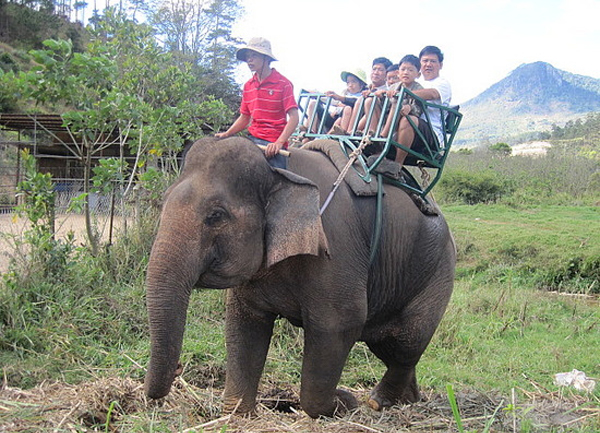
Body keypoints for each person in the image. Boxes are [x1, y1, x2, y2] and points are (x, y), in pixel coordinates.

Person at [215, 37, 299, 169]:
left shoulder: (284, 84)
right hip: (252, 139)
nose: (249, 60)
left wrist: (279, 143)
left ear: (266, 58)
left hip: (273, 141)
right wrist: (227, 133)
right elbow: (244, 117)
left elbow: (294, 117)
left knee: (277, 176)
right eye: (248, 56)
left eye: (254, 55)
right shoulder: (248, 86)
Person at [391, 46, 451, 168]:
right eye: (425, 61)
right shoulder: (413, 81)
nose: (428, 64)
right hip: (402, 126)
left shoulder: (442, 83)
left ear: (440, 65)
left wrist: (402, 93)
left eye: (433, 61)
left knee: (408, 120)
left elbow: (432, 94)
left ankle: (397, 165)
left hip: (429, 133)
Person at [336, 57, 392, 133]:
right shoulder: (365, 89)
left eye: (380, 70)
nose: (376, 72)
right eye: (374, 69)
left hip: (377, 121)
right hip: (361, 120)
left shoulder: (387, 90)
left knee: (366, 101)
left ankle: (352, 132)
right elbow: (354, 100)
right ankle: (348, 131)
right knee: (356, 103)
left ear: (386, 73)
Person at [303, 69, 367, 135]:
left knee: (347, 108)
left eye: (353, 82)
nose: (350, 85)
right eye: (348, 82)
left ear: (361, 84)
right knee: (313, 103)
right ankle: (311, 131)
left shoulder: (363, 95)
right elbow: (335, 101)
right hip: (335, 117)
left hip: (346, 119)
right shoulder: (345, 92)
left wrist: (341, 100)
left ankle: (340, 133)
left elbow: (354, 101)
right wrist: (317, 94)